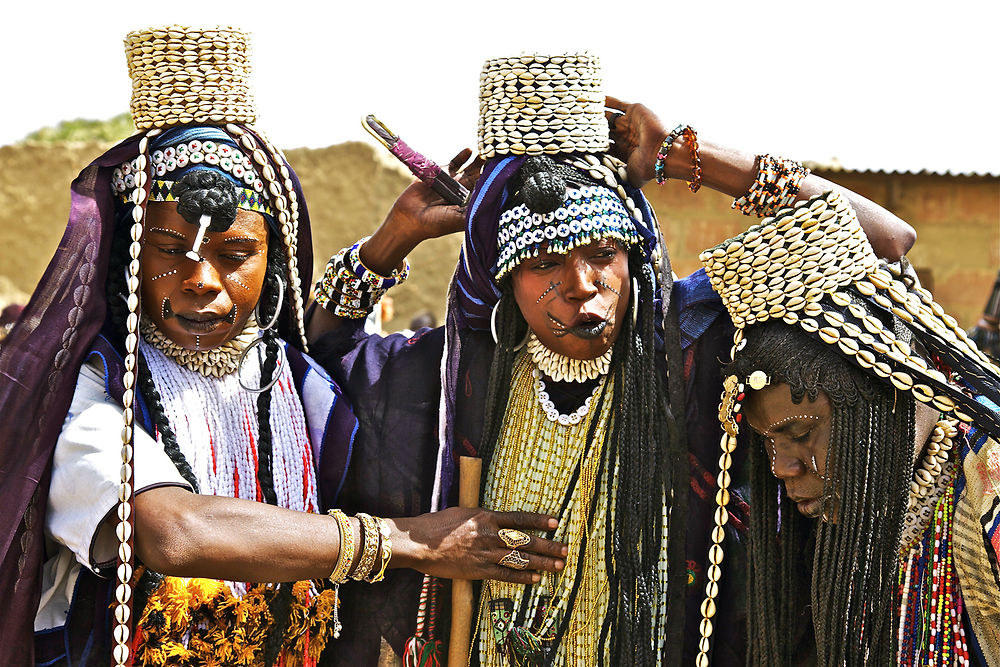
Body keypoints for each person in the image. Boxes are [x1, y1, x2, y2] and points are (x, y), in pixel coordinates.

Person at [308, 52, 915, 665]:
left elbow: (884, 242)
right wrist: (394, 238)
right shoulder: (457, 378)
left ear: (636, 256)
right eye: (544, 262)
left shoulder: (698, 345)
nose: (581, 285)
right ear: (505, 282)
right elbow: (328, 355)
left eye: (603, 252)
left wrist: (685, 155)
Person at [0, 27, 564, 667]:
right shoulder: (91, 386)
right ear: (128, 257)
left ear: (274, 260)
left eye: (235, 254)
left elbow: (345, 349)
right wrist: (412, 541)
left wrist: (395, 238)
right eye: (168, 253)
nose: (202, 282)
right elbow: (172, 531)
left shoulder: (290, 378)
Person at [697, 193, 1000, 665]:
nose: (780, 468)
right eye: (768, 442)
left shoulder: (989, 482)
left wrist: (720, 164)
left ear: (889, 391)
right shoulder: (809, 531)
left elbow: (895, 237)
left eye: (798, 434)